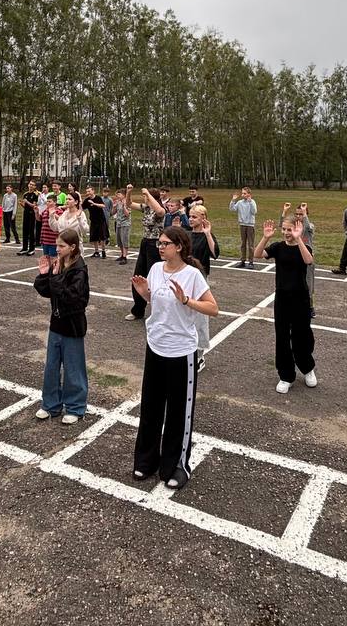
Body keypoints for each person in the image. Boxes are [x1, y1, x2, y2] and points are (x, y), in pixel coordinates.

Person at [130, 225, 218, 490]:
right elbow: (157, 303)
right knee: (151, 407)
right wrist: (145, 293)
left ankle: (177, 465)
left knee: (179, 411)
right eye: (159, 242)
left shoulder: (192, 275)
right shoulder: (156, 269)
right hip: (155, 345)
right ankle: (146, 461)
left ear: (179, 247)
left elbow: (213, 308)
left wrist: (187, 300)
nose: (160, 247)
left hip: (181, 351)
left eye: (165, 243)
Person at [33, 227, 90, 424]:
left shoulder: (79, 270)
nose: (57, 249)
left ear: (72, 247)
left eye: (61, 246)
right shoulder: (59, 264)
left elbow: (71, 298)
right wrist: (44, 275)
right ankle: (51, 405)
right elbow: (47, 291)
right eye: (57, 245)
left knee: (73, 368)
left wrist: (55, 277)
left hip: (72, 326)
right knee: (51, 366)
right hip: (56, 324)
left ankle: (75, 407)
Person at [255, 216, 317, 393]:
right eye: (284, 229)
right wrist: (265, 237)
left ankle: (307, 368)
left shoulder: (305, 247)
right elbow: (257, 254)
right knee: (282, 337)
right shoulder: (278, 247)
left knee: (302, 336)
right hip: (282, 298)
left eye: (290, 229)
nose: (286, 233)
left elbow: (309, 260)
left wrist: (298, 239)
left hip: (301, 298)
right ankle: (286, 375)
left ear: (298, 230)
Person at [126, 186, 166, 321]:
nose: (144, 199)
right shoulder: (146, 208)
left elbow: (160, 211)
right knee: (138, 276)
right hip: (145, 243)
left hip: (156, 245)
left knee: (155, 279)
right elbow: (129, 204)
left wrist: (148, 194)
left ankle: (159, 312)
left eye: (146, 197)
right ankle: (138, 310)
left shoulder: (160, 209)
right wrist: (129, 192)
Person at [188, 205, 218, 369]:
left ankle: (199, 355)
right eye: (190, 216)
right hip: (184, 278)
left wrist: (207, 234)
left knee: (200, 317)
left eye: (194, 217)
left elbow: (215, 254)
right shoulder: (186, 234)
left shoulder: (207, 235)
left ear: (203, 218)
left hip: (200, 279)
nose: (191, 219)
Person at [229, 187, 258, 268]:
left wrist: (250, 202)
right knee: (243, 244)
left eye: (245, 193)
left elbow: (254, 212)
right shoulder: (240, 202)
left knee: (250, 244)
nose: (243, 195)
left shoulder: (252, 202)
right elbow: (232, 209)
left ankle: (251, 262)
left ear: (249, 194)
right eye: (242, 193)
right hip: (242, 225)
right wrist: (233, 200)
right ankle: (243, 260)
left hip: (250, 225)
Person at [82, 186, 108, 258]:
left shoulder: (98, 198)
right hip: (93, 221)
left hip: (101, 220)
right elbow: (81, 208)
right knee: (94, 237)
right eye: (87, 191)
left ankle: (103, 251)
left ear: (93, 191)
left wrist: (94, 204)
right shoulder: (87, 200)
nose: (88, 193)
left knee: (102, 236)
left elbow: (103, 205)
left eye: (89, 191)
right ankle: (96, 252)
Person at [19, 180, 39, 256]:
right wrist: (22, 204)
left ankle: (31, 249)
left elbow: (34, 205)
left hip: (32, 214)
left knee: (31, 232)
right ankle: (24, 248)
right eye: (30, 184)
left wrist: (27, 202)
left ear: (35, 186)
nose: (30, 186)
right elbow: (25, 206)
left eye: (32, 185)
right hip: (26, 213)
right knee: (25, 231)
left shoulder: (35, 195)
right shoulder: (25, 194)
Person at [111, 189, 132, 265]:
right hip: (118, 223)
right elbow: (113, 213)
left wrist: (124, 206)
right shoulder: (118, 202)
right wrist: (114, 207)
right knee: (119, 240)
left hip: (125, 224)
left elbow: (127, 214)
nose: (117, 196)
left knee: (124, 240)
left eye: (119, 194)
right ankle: (122, 254)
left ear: (124, 195)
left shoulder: (127, 202)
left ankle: (125, 257)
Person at [38, 194, 60, 258]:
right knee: (46, 259)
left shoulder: (59, 211)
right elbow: (39, 219)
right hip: (45, 240)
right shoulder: (45, 211)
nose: (47, 203)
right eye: (47, 201)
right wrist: (36, 212)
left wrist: (53, 214)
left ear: (55, 202)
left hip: (54, 241)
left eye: (49, 201)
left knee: (53, 259)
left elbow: (61, 221)